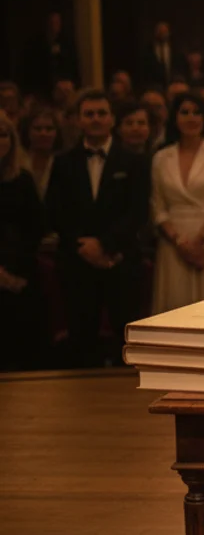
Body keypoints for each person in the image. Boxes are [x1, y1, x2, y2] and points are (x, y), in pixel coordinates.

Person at [44, 90, 148, 367]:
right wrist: (83, 245)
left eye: (101, 113)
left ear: (112, 119)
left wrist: (105, 245)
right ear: (78, 120)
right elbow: (55, 211)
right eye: (89, 114)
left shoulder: (134, 161)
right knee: (81, 337)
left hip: (120, 260)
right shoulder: (64, 162)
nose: (96, 119)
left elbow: (138, 211)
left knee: (125, 335)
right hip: (77, 262)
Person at [149, 93, 204, 313]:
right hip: (174, 244)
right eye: (184, 112)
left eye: (197, 112)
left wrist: (198, 241)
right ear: (175, 118)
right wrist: (181, 242)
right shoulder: (161, 158)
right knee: (175, 309)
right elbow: (157, 207)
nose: (191, 118)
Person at [0, 114, 47, 370]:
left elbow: (36, 229)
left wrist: (13, 273)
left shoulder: (23, 180)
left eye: (4, 134)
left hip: (21, 275)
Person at [20, 12, 79, 98]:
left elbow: (73, 67)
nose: (54, 26)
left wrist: (70, 83)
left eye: (57, 23)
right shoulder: (36, 45)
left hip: (65, 86)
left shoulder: (66, 44)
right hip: (45, 89)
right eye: (52, 23)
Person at [19, 106, 61, 202]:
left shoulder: (64, 164)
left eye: (49, 129)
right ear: (28, 131)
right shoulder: (18, 162)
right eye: (38, 129)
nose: (43, 133)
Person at [142, 21, 179, 90]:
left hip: (171, 83)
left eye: (164, 31)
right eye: (160, 31)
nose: (162, 34)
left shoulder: (174, 48)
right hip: (153, 85)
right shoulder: (150, 49)